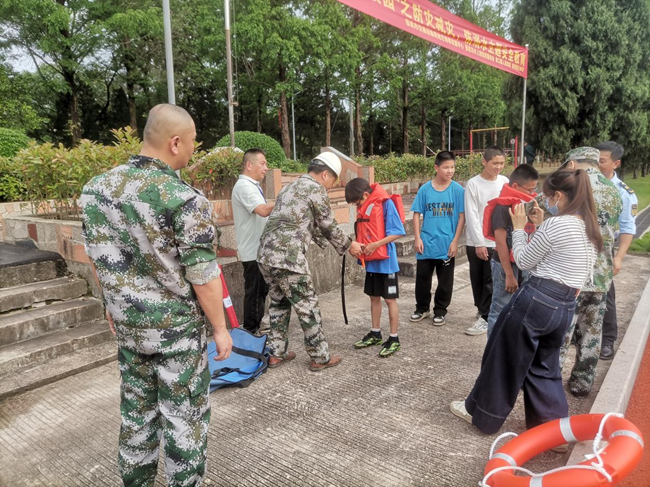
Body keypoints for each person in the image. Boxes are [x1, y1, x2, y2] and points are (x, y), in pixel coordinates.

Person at [80, 104, 233, 486]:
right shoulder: (183, 198)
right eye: (193, 142)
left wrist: (111, 307)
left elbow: (99, 257)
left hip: (129, 328)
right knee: (184, 422)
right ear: (175, 142)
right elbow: (203, 275)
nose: (194, 149)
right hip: (176, 334)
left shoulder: (96, 191)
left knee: (137, 418)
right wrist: (220, 329)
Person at [451, 169, 601, 435]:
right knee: (545, 368)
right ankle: (552, 432)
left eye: (548, 196)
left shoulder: (558, 224)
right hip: (565, 305)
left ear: (558, 195)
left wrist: (519, 229)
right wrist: (541, 226)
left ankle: (482, 414)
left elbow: (523, 260)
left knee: (503, 358)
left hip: (538, 300)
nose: (545, 201)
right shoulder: (589, 226)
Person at [257, 152, 362, 371]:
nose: (330, 187)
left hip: (265, 255)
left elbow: (305, 223)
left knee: (279, 302)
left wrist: (332, 244)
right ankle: (320, 357)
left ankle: (276, 353)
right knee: (307, 307)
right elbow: (327, 224)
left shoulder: (289, 187)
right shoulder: (316, 189)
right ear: (325, 174)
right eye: (332, 181)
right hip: (288, 258)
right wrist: (349, 245)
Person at [559, 147, 623, 398]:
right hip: (600, 276)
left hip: (570, 274)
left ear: (572, 164)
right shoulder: (614, 191)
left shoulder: (571, 186)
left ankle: (549, 383)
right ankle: (581, 384)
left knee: (560, 334)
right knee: (591, 334)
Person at [345, 177, 406, 357]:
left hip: (386, 263)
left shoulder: (385, 203)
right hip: (371, 262)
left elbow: (398, 232)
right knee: (374, 297)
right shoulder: (364, 206)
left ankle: (394, 338)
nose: (357, 206)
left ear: (365, 194)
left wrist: (376, 245)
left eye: (357, 202)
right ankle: (375, 333)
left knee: (390, 300)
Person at [408, 151, 465, 326]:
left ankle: (440, 311)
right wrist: (417, 238)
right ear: (436, 168)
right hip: (426, 243)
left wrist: (455, 241)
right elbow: (416, 214)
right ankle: (422, 308)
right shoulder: (425, 190)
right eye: (446, 167)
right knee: (422, 279)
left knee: (445, 282)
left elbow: (462, 217)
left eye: (452, 167)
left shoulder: (458, 190)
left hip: (446, 245)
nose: (450, 171)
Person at [483, 163, 539, 337]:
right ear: (515, 186)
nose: (533, 193)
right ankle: (494, 348)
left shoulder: (527, 205)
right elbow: (501, 244)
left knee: (522, 308)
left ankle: (512, 344)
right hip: (504, 266)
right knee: (500, 308)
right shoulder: (501, 208)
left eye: (535, 189)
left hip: (525, 264)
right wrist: (509, 274)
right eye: (530, 189)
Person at [596, 142, 638, 361]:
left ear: (616, 163)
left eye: (602, 161)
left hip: (602, 252)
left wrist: (619, 258)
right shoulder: (582, 183)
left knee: (605, 295)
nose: (596, 164)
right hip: (577, 248)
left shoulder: (623, 193)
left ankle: (607, 340)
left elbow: (628, 228)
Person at [463, 146, 509, 336]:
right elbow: (472, 215)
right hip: (476, 241)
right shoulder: (473, 184)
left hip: (497, 241)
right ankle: (481, 310)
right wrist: (479, 242)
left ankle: (486, 317)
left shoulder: (505, 182)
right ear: (484, 162)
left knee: (492, 281)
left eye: (502, 163)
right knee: (477, 279)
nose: (498, 167)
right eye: (495, 163)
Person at [231, 148, 275, 335]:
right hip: (252, 251)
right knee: (255, 294)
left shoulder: (252, 186)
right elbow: (263, 210)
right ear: (249, 165)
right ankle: (251, 332)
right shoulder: (244, 187)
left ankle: (255, 328)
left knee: (260, 292)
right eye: (262, 163)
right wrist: (284, 199)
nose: (266, 168)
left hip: (259, 249)